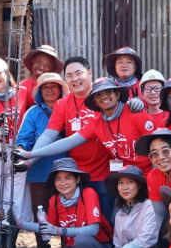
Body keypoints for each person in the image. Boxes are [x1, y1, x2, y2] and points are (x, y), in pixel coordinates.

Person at [19, 77, 151, 175]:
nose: (104, 97)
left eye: (108, 92)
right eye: (99, 95)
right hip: (124, 178)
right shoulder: (97, 123)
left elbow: (158, 144)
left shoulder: (135, 112)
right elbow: (68, 142)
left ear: (117, 94)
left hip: (147, 174)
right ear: (95, 102)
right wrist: (31, 155)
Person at [35, 56, 114, 219]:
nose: (75, 79)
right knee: (76, 217)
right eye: (69, 75)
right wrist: (30, 158)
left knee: (106, 218)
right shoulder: (62, 104)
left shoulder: (104, 97)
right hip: (77, 174)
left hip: (106, 171)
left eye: (79, 73)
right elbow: (50, 133)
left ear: (90, 73)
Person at [26, 157, 113, 248]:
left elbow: (93, 230)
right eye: (58, 179)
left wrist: (61, 230)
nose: (63, 183)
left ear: (77, 179)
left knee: (82, 239)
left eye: (68, 178)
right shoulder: (54, 200)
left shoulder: (88, 194)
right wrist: (19, 223)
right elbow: (49, 228)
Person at [0, 57, 33, 248]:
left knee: (16, 194)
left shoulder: (23, 92)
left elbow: (33, 113)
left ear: (6, 74)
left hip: (19, 149)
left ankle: (11, 238)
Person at [16, 72, 67, 248]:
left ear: (61, 89)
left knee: (67, 210)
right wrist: (21, 150)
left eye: (54, 86)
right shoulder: (33, 112)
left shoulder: (69, 109)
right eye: (46, 87)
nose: (50, 90)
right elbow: (23, 139)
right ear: (40, 92)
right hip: (39, 172)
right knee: (41, 212)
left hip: (66, 171)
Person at [98, 165, 157, 248]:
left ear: (139, 185)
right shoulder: (120, 214)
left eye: (130, 182)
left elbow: (146, 242)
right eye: (121, 183)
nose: (124, 187)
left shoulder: (149, 206)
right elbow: (118, 246)